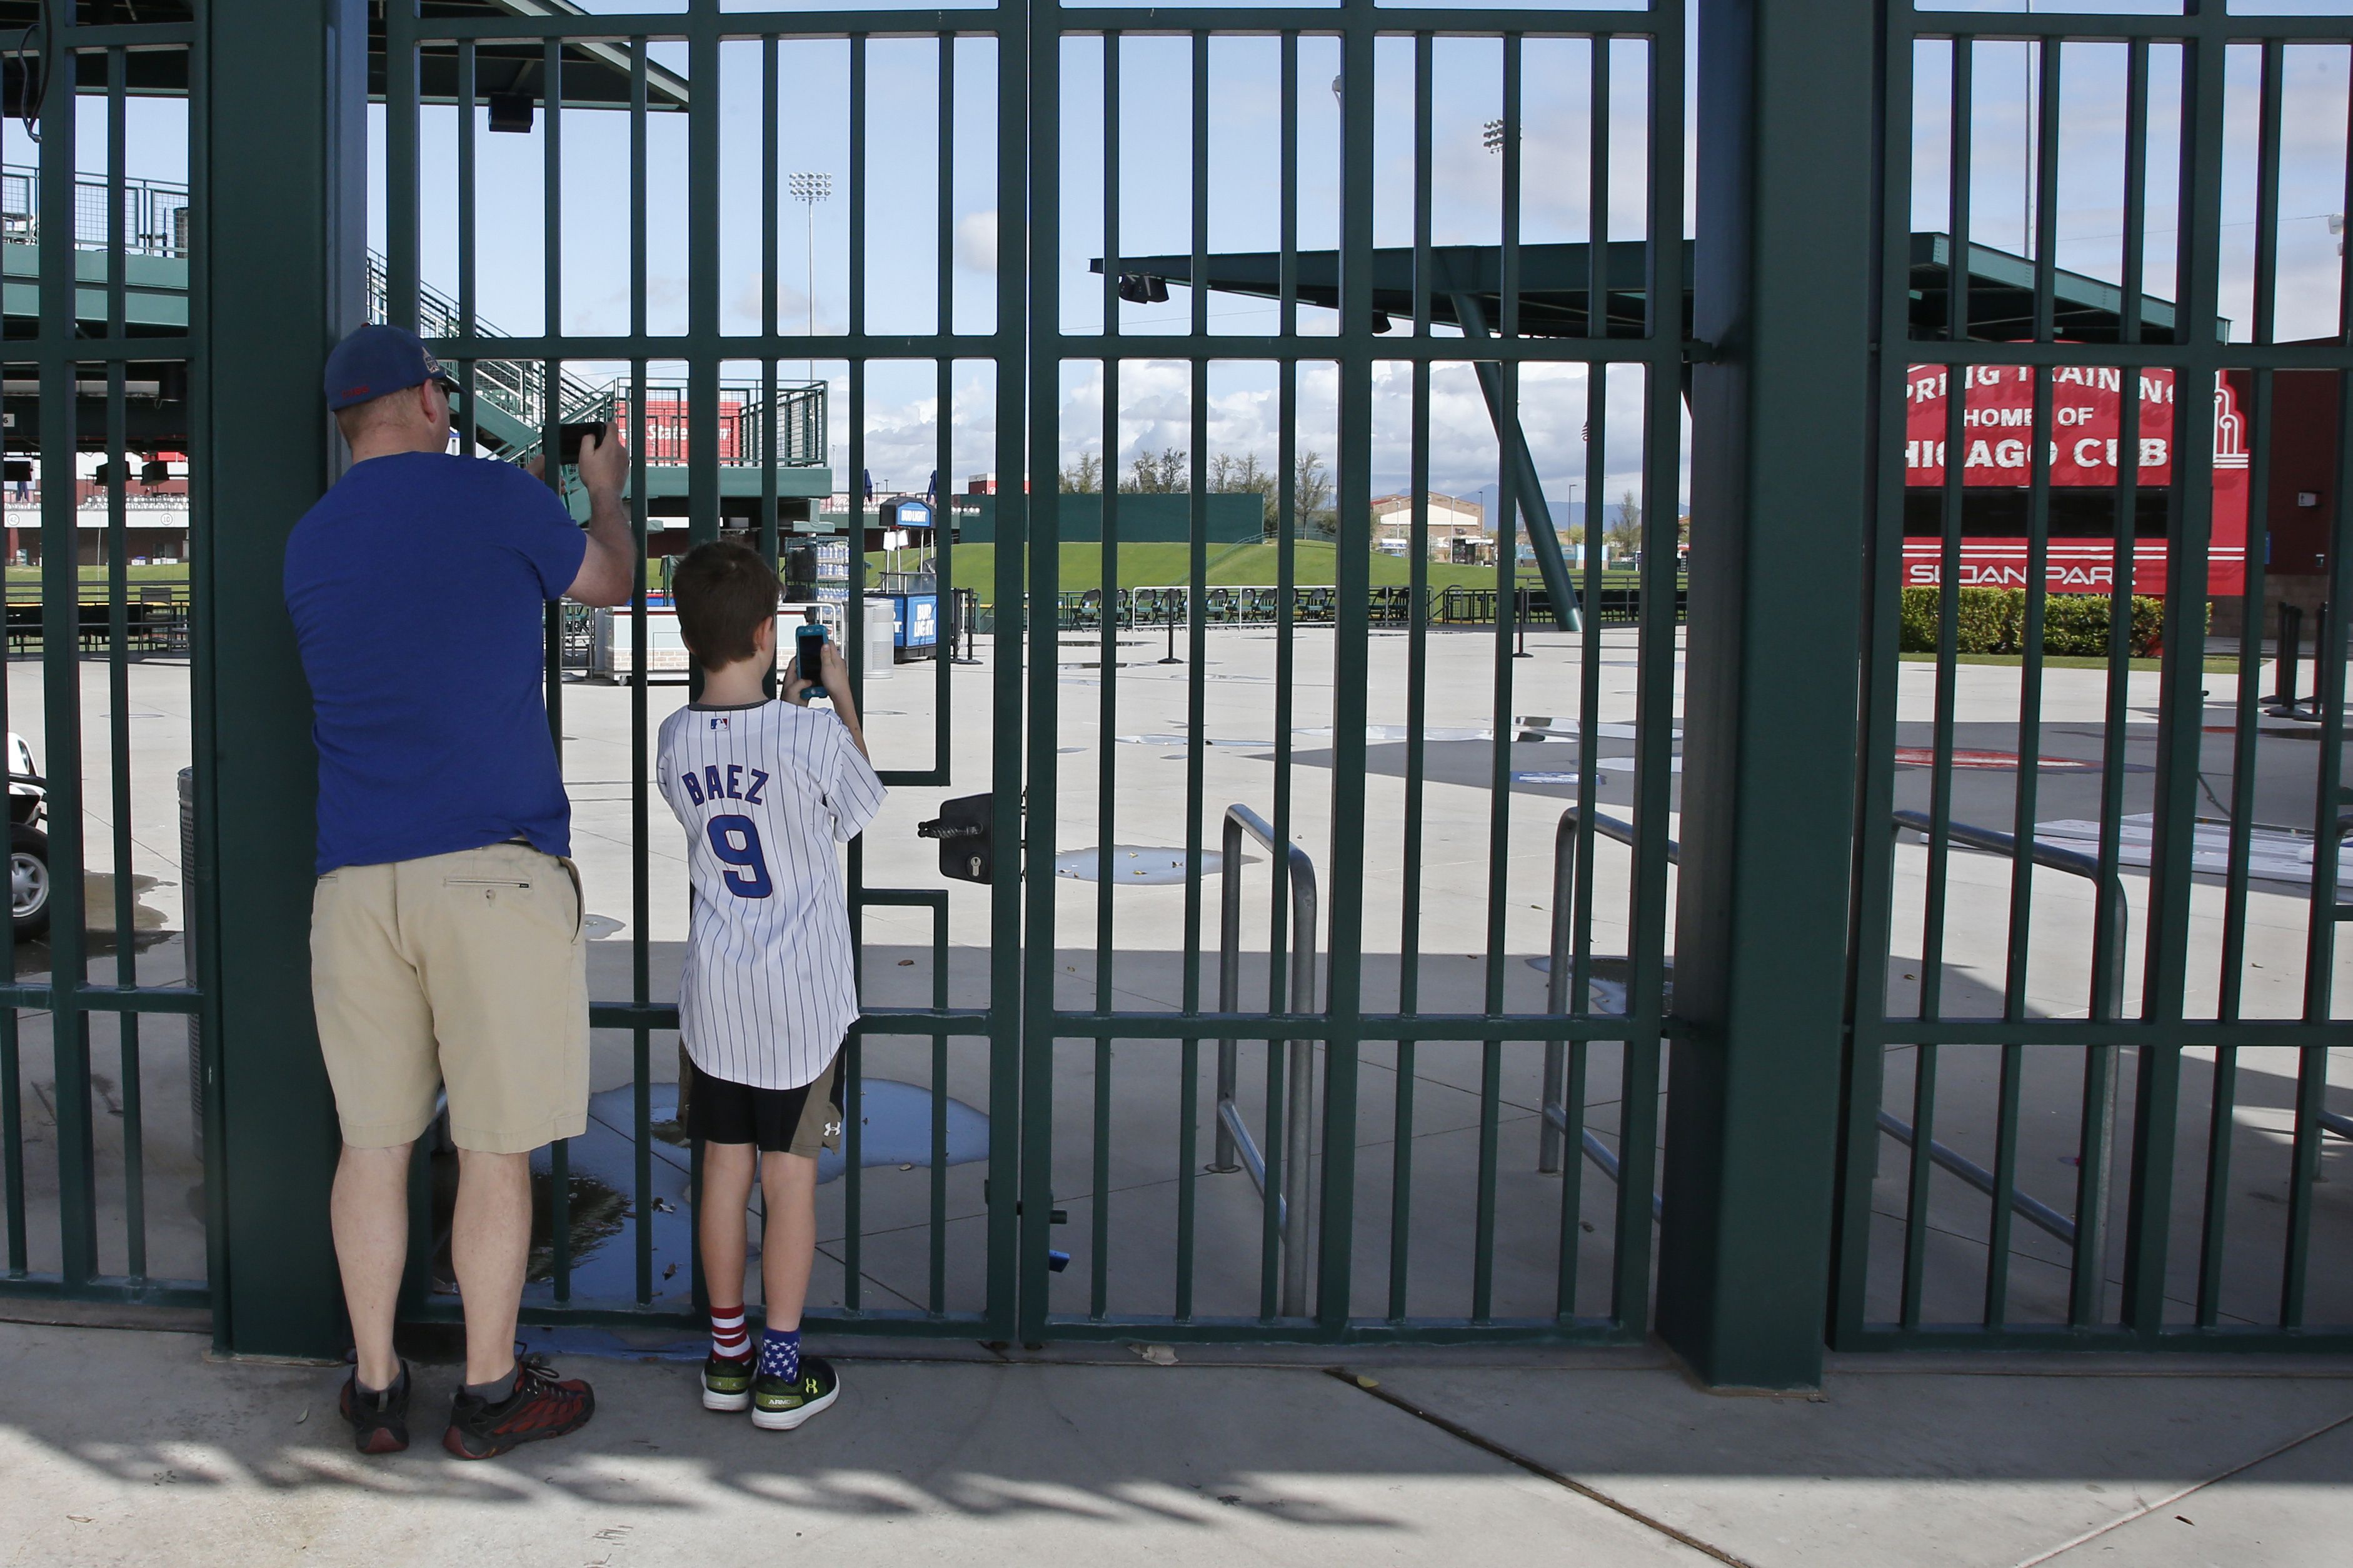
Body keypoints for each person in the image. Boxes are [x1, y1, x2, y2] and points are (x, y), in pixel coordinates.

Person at [284, 322, 635, 1459]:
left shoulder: (311, 540)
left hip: (356, 886)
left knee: (374, 1144)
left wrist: (512, 505)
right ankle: (489, 1393)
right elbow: (612, 584)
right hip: (492, 870)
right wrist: (601, 494)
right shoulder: (495, 501)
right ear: (433, 401)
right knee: (494, 1148)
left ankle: (377, 1385)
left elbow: (412, 598)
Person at [655, 540, 883, 1431]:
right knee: (790, 1180)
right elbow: (858, 802)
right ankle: (781, 1373)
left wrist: (779, 709)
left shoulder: (673, 737)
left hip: (718, 996)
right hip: (801, 998)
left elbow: (723, 795)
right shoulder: (812, 732)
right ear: (765, 631)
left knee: (721, 1172)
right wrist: (837, 693)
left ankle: (726, 1357)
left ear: (687, 637)